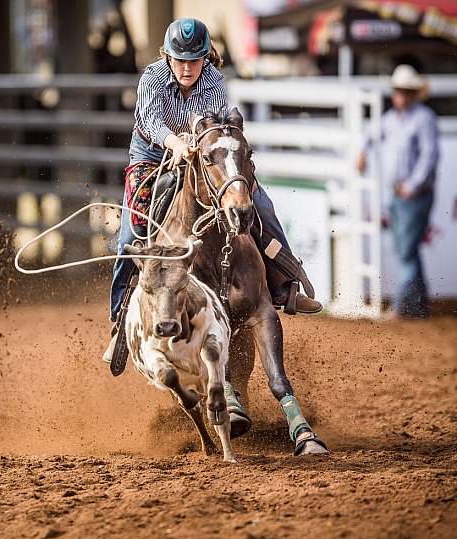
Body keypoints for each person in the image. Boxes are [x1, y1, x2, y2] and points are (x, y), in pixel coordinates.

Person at [104, 17, 322, 365]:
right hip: (151, 157)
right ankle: (119, 319)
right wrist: (174, 142)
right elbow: (150, 120)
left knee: (258, 205)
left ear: (206, 57)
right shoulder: (152, 78)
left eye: (194, 60)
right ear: (168, 57)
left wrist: (202, 147)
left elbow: (217, 124)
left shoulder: (214, 80)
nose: (187, 67)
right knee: (134, 230)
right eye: (180, 59)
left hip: (201, 156)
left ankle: (285, 282)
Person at [358, 64, 439, 319]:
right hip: (399, 193)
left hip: (414, 194)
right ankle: (419, 307)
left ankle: (400, 306)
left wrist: (412, 186)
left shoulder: (424, 118)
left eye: (406, 92)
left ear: (414, 94)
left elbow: (430, 156)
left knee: (405, 252)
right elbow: (369, 132)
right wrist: (361, 149)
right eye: (398, 91)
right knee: (408, 250)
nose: (401, 96)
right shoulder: (392, 119)